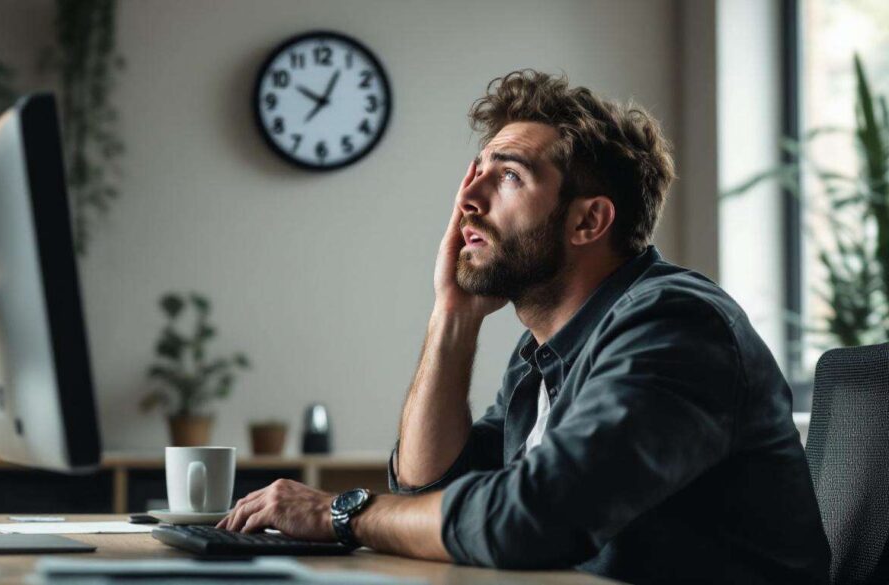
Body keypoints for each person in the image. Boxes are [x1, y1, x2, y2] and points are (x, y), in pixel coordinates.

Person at [218, 70, 831, 584]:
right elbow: (429, 492)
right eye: (475, 173)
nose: (468, 201)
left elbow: (531, 518)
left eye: (508, 175)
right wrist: (452, 316)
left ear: (589, 221)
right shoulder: (547, 353)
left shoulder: (674, 326)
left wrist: (341, 514)